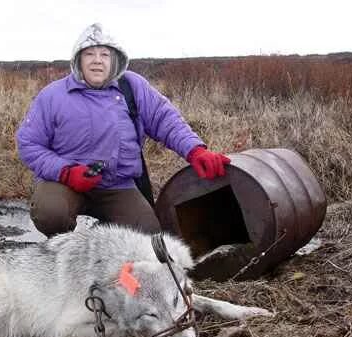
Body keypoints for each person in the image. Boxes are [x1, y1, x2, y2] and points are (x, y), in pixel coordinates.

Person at [16, 23, 231, 237]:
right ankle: (66, 250)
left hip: (117, 184)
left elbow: (166, 120)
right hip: (65, 183)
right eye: (89, 53)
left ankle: (104, 235)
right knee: (50, 213)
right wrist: (65, 172)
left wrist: (195, 150)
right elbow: (28, 143)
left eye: (105, 54)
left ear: (115, 60)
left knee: (148, 237)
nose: (97, 60)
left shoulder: (132, 86)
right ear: (78, 59)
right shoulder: (53, 95)